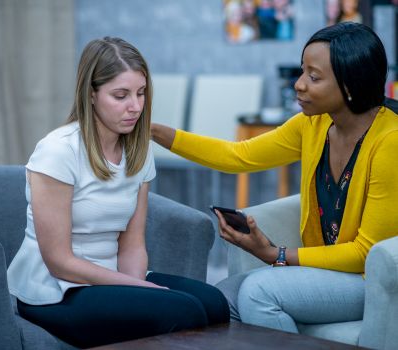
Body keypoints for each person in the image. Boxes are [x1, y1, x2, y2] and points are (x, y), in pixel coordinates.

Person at [151, 22, 398, 333]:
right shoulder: (313, 125)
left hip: (373, 283)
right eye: (302, 71)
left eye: (314, 76)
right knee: (219, 299)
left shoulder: (390, 142)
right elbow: (237, 155)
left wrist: (275, 254)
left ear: (350, 86)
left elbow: (366, 254)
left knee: (259, 292)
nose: (298, 84)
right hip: (330, 273)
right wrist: (154, 131)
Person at [7, 37, 229, 348]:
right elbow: (59, 261)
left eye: (141, 93)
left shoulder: (137, 150)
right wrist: (138, 291)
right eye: (120, 95)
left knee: (214, 303)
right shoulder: (58, 151)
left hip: (110, 277)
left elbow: (132, 243)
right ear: (91, 94)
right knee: (183, 311)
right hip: (54, 289)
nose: (135, 106)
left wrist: (136, 288)